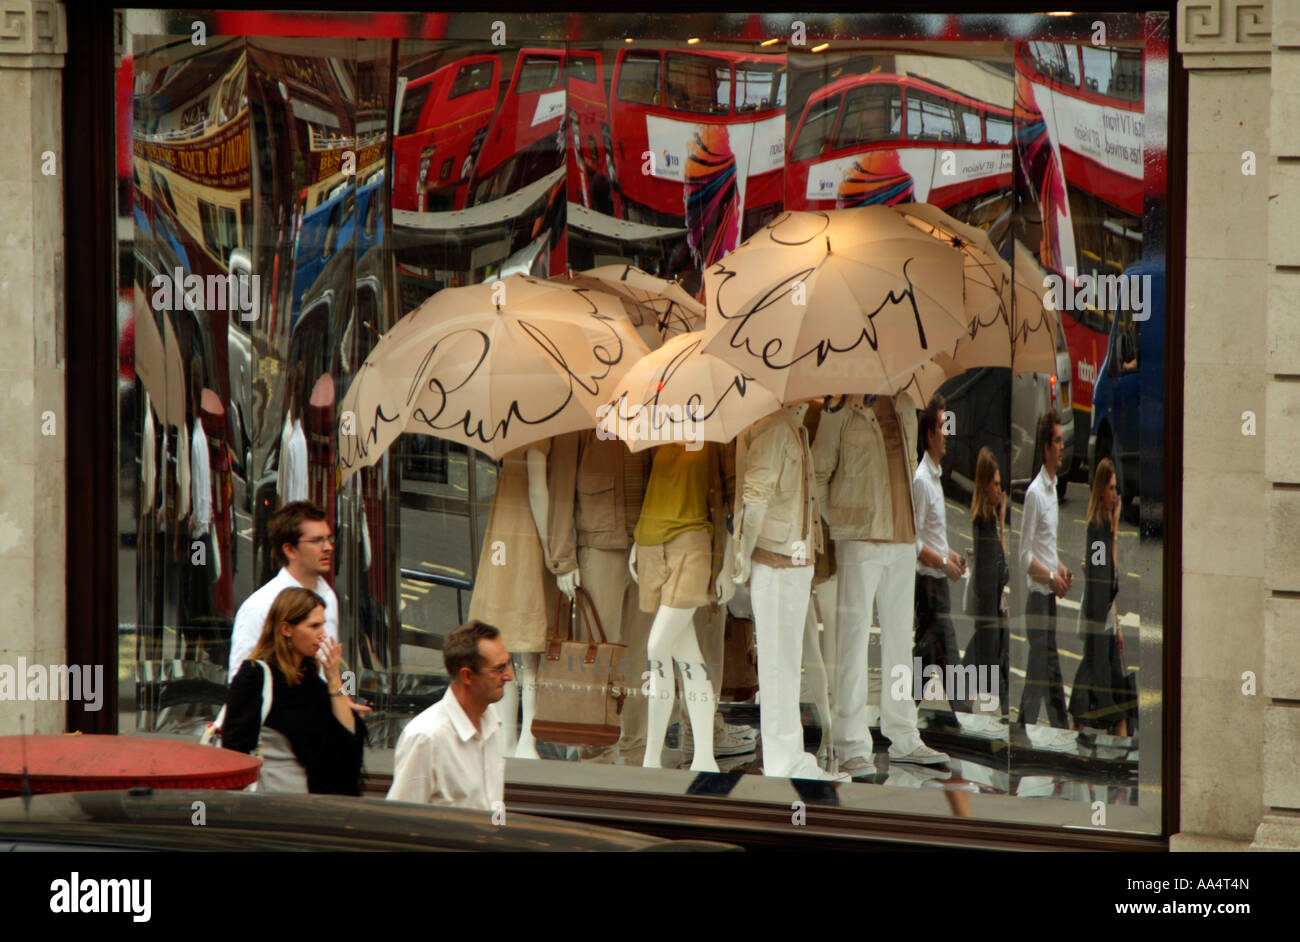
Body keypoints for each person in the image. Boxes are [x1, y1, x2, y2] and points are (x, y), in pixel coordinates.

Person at [222, 587, 366, 794]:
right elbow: (234, 753)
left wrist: (335, 681)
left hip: (320, 801)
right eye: (314, 626)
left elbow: (347, 743)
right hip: (276, 805)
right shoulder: (255, 676)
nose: (322, 635)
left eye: (323, 625)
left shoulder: (310, 677)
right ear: (286, 629)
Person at [386, 621, 512, 810]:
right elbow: (399, 818)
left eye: (507, 664)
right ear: (467, 676)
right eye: (499, 669)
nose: (509, 675)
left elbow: (495, 803)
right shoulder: (426, 738)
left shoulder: (492, 721)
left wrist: (499, 834)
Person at [229, 501, 338, 680]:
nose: (328, 547)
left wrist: (341, 697)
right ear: (290, 550)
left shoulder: (328, 596)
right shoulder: (260, 607)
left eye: (328, 539)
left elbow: (328, 670)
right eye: (317, 541)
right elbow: (239, 682)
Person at [911, 393, 970, 719]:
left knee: (926, 659)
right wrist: (943, 564)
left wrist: (951, 554)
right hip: (930, 587)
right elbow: (915, 544)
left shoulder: (933, 478)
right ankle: (968, 721)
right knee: (949, 658)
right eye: (941, 427)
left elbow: (931, 537)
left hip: (936, 585)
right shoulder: (921, 481)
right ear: (929, 435)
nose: (946, 432)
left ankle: (900, 716)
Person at [1017, 409, 1073, 740]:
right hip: (1037, 601)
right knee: (1041, 674)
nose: (1062, 447)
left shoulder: (1052, 491)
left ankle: (1061, 732)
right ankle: (1025, 734)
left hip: (1048, 599)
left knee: (1049, 674)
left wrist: (1061, 568)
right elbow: (1025, 556)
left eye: (1063, 440)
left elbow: (1045, 548)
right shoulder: (1036, 494)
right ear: (1045, 447)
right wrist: (1051, 578)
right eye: (1057, 441)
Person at [1069, 458, 1134, 734]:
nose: (1115, 495)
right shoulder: (1097, 531)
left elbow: (1111, 582)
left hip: (1105, 624)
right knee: (1106, 704)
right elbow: (1101, 583)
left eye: (1116, 488)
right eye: (1110, 488)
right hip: (1098, 626)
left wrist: (1116, 623)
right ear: (1099, 491)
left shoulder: (1105, 528)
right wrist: (1104, 629)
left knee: (1110, 702)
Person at [962, 447, 1010, 720]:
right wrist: (1002, 524)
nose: (999, 491)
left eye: (1000, 484)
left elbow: (998, 573)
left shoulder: (985, 520)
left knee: (988, 663)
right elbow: (1002, 571)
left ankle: (973, 706)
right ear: (984, 485)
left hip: (992, 609)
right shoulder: (986, 522)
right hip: (988, 611)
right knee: (990, 670)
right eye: (995, 484)